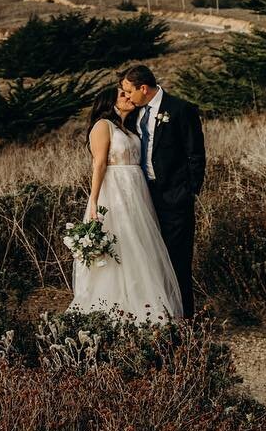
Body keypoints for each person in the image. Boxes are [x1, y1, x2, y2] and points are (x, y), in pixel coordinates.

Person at [66, 84, 184, 324]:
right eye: (122, 95)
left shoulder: (129, 129)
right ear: (110, 102)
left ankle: (147, 304)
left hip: (136, 192)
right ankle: (116, 311)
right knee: (122, 243)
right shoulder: (103, 126)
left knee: (141, 244)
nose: (128, 97)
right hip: (115, 191)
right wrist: (94, 200)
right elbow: (99, 164)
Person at [118, 63, 205, 319]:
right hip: (142, 198)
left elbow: (196, 154)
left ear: (143, 88)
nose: (126, 96)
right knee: (150, 261)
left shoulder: (181, 109)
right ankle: (159, 317)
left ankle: (185, 321)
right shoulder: (135, 113)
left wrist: (189, 192)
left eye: (128, 91)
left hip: (175, 198)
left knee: (178, 261)